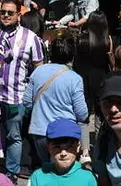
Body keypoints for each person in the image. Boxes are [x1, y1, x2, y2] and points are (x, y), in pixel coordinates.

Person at [0, 0, 45, 179]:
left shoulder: (30, 38)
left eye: (10, 13)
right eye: (2, 12)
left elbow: (39, 67)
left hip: (16, 96)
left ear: (19, 15)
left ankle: (11, 173)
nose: (5, 16)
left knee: (13, 136)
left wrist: (33, 94)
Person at [24, 36, 88, 168]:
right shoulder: (74, 78)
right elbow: (82, 113)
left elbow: (27, 102)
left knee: (47, 169)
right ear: (72, 55)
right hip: (66, 133)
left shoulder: (38, 71)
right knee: (65, 171)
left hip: (40, 131)